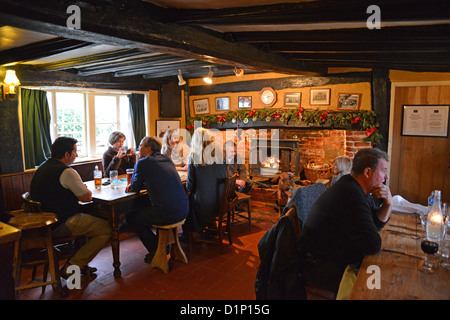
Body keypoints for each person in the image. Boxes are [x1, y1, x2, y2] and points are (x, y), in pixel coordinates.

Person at [298, 148, 393, 294]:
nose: (385, 176)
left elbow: (374, 223)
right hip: (320, 268)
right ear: (368, 173)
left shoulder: (354, 186)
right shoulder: (351, 194)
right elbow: (372, 245)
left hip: (328, 260)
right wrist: (388, 206)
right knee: (383, 283)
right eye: (383, 171)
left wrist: (388, 204)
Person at [30, 137, 112, 280]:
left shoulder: (43, 167)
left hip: (42, 222)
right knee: (106, 229)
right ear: (66, 155)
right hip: (59, 222)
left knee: (89, 222)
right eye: (75, 151)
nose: (77, 155)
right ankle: (73, 265)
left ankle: (80, 264)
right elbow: (86, 198)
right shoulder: (67, 172)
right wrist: (84, 191)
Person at [125, 136, 189, 263]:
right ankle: (162, 247)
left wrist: (138, 161)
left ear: (148, 148)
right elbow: (155, 179)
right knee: (153, 206)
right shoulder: (166, 159)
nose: (138, 149)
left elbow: (136, 187)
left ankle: (157, 249)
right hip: (183, 209)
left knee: (131, 217)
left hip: (166, 213)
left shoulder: (143, 163)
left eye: (140, 146)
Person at [185, 127, 227, 233]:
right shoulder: (221, 153)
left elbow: (190, 186)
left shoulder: (194, 156)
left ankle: (191, 233)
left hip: (205, 203)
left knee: (186, 201)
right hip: (222, 200)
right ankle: (209, 225)